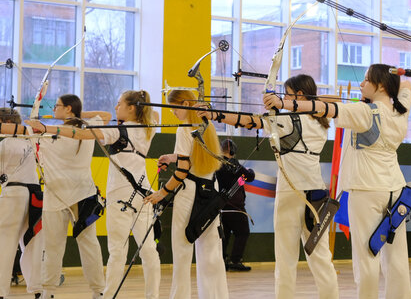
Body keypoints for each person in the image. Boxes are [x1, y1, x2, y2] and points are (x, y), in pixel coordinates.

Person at [264, 64, 411, 299]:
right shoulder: (401, 109)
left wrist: (283, 104)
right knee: (397, 260)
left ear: (381, 85)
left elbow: (323, 108)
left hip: (366, 190)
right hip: (396, 189)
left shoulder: (365, 113)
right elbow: (406, 86)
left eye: (366, 80)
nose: (362, 84)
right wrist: (400, 75)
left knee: (366, 260)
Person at [211, 74, 339, 298]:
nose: (284, 97)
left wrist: (216, 115)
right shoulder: (320, 123)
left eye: (288, 94)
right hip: (316, 192)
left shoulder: (290, 121)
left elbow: (250, 121)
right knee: (320, 256)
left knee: (285, 258)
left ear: (299, 95)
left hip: (292, 192)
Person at [37, 90, 162, 299]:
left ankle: (109, 295)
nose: (115, 107)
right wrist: (74, 116)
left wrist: (46, 127)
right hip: (144, 193)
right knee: (148, 250)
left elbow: (81, 134)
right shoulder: (148, 127)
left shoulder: (116, 131)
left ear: (131, 108)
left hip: (120, 196)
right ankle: (153, 296)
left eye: (119, 103)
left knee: (117, 251)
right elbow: (152, 114)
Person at [144, 89, 229, 299]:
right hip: (210, 191)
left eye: (174, 107)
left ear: (185, 104)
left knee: (182, 251)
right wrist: (173, 157)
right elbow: (193, 158)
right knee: (211, 253)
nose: (173, 112)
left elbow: (182, 172)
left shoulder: (184, 129)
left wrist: (161, 193)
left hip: (189, 192)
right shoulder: (207, 125)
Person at [27, 94, 107, 299]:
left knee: (54, 246)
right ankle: (98, 291)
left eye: (58, 106)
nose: (54, 109)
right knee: (88, 245)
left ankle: (49, 291)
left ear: (69, 109)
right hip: (78, 194)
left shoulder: (50, 136)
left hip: (69, 196)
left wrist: (38, 123)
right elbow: (105, 115)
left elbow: (30, 133)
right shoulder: (87, 127)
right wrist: (78, 115)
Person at [0, 110, 44, 298]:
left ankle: (1, 291)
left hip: (14, 193)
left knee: (5, 243)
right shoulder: (33, 142)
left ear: (7, 122)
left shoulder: (6, 144)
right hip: (35, 195)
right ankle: (37, 290)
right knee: (32, 243)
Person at [215, 139, 255, 272]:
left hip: (221, 206)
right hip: (236, 207)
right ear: (233, 151)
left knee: (225, 234)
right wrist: (249, 170)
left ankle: (222, 260)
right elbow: (249, 176)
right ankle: (235, 260)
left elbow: (243, 179)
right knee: (243, 232)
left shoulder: (217, 164)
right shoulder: (234, 165)